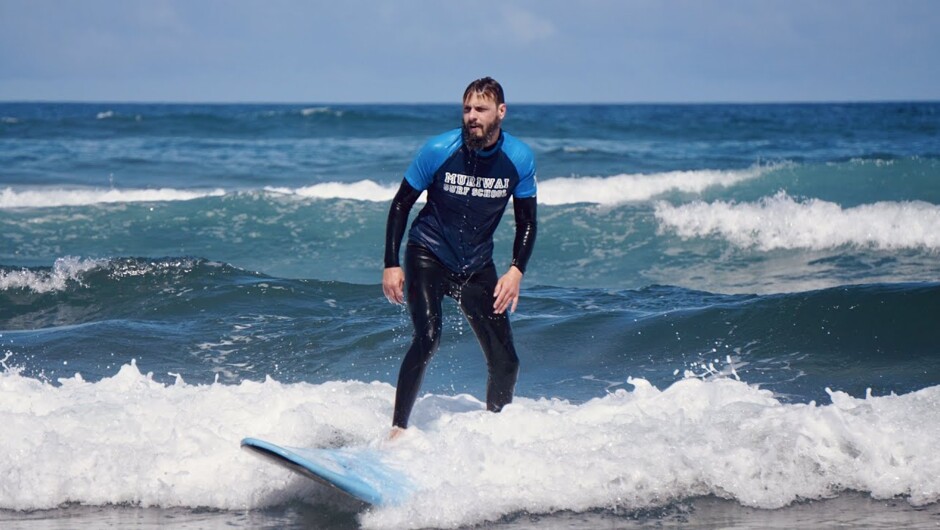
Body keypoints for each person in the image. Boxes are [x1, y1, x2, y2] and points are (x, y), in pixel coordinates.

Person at [382, 77, 538, 439]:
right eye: (467, 109)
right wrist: (391, 263)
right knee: (428, 336)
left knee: (506, 361)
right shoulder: (439, 149)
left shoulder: (518, 158)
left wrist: (516, 271)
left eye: (480, 109)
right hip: (428, 254)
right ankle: (398, 430)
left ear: (500, 112)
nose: (471, 116)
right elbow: (402, 203)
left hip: (476, 266)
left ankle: (496, 433)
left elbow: (527, 220)